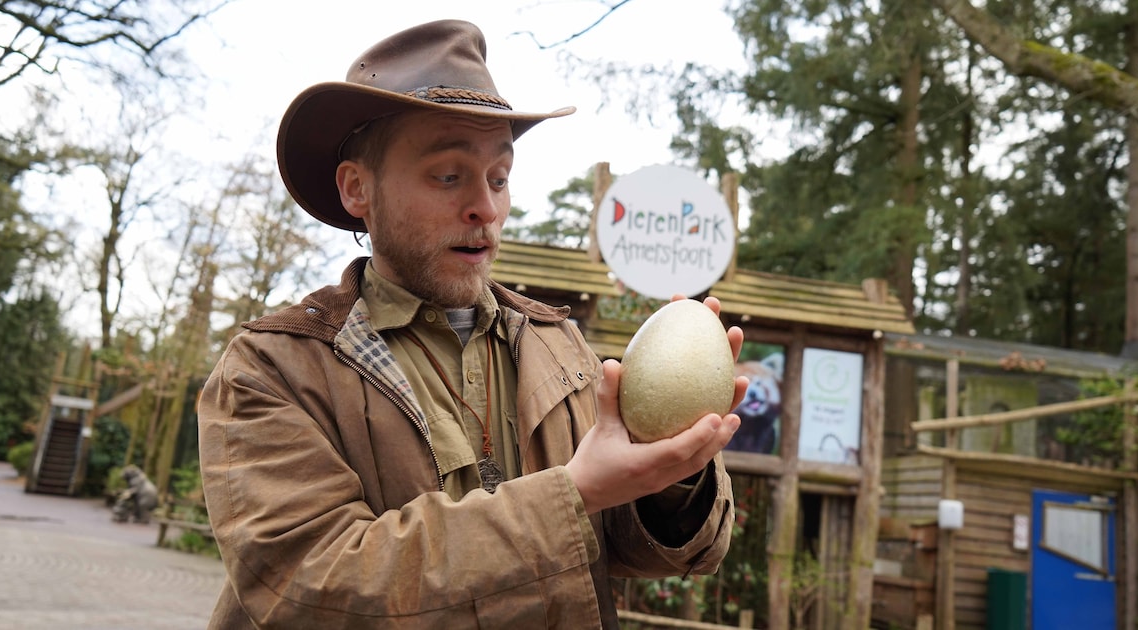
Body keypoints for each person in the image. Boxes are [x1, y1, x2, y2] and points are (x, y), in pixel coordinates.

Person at [197, 19, 748, 629]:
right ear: (358, 188)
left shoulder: (558, 347)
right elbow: (310, 587)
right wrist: (574, 492)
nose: (485, 207)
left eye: (499, 178)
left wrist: (673, 468)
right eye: (449, 175)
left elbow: (632, 547)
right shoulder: (271, 370)